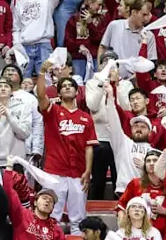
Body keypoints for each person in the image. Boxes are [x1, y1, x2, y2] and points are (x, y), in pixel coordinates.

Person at [36, 60, 97, 236]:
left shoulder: (86, 117)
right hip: (55, 170)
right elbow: (41, 95)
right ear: (59, 93)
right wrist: (42, 72)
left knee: (78, 219)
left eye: (71, 86)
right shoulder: (52, 111)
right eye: (64, 86)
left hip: (78, 172)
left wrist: (88, 170)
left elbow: (89, 147)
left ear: (77, 92)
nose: (68, 88)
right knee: (51, 216)